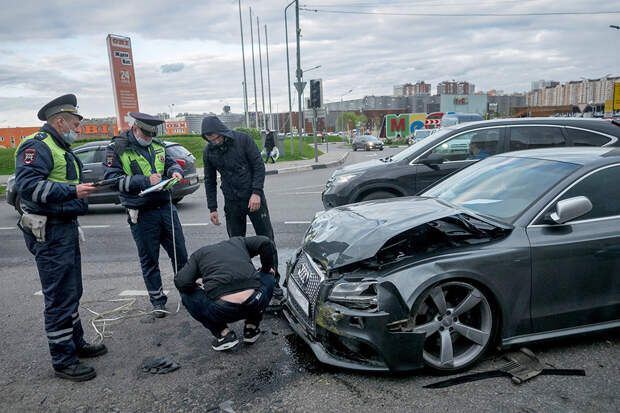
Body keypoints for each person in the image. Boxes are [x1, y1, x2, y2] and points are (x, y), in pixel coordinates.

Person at [15, 94, 107, 382]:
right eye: (76, 124)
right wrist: (73, 192)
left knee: (71, 291)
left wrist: (77, 190)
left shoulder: (59, 146)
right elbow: (29, 188)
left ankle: (75, 343)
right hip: (50, 231)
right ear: (59, 121)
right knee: (58, 297)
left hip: (63, 227)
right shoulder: (37, 146)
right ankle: (63, 360)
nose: (78, 129)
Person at [104, 112, 188, 318]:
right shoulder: (117, 149)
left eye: (152, 135)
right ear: (135, 129)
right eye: (146, 134)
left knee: (181, 255)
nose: (149, 138)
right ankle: (158, 301)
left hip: (166, 208)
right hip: (141, 213)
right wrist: (144, 181)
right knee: (150, 260)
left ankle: (188, 295)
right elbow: (112, 180)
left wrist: (176, 171)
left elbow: (170, 163)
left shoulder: (157, 145)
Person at [201, 116, 284, 304]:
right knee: (236, 245)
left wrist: (256, 193)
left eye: (216, 138)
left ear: (221, 131)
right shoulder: (209, 152)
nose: (215, 142)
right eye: (210, 140)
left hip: (254, 199)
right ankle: (245, 283)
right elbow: (209, 180)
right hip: (232, 202)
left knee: (266, 240)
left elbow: (258, 166)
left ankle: (274, 281)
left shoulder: (242, 139)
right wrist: (212, 208)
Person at [174, 236, 276, 351]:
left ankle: (223, 334)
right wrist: (266, 269)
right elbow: (265, 242)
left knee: (186, 295)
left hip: (222, 310)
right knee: (268, 276)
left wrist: (193, 285)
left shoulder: (199, 255)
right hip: (255, 301)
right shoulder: (239, 242)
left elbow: (181, 283)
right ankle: (251, 328)